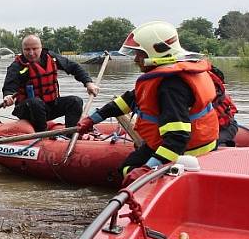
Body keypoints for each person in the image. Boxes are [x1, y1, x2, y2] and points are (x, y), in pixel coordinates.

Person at [76, 21, 219, 186]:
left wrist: (148, 168)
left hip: (186, 153)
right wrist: (92, 119)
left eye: (140, 54)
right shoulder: (166, 76)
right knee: (126, 168)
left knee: (131, 170)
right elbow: (128, 100)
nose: (136, 59)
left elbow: (178, 138)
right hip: (177, 143)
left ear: (156, 52)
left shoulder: (171, 86)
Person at [2, 34, 99, 132]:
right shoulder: (17, 66)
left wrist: (88, 82)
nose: (31, 53)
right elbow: (10, 86)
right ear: (22, 50)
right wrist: (8, 95)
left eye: (34, 49)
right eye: (27, 49)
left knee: (75, 101)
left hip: (50, 106)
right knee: (36, 102)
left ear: (41, 47)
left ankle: (71, 134)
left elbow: (74, 67)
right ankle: (41, 134)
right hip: (28, 110)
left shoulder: (52, 58)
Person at [208, 65, 239, 146]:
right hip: (215, 128)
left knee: (214, 143)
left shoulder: (218, 95)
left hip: (227, 127)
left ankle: (225, 146)